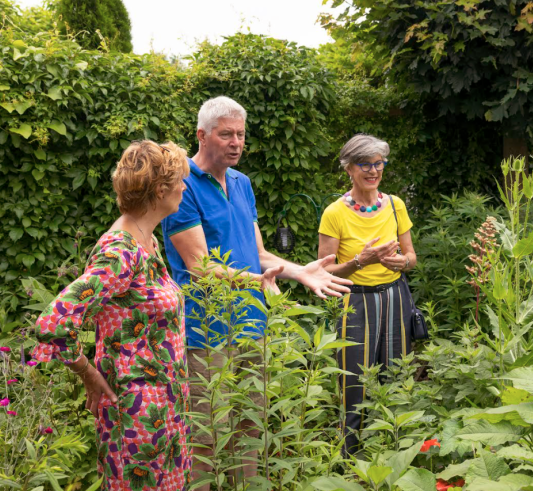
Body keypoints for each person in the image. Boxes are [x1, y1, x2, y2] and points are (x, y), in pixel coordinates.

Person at [161, 96, 352, 484]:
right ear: (201, 135)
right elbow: (200, 267)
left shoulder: (241, 183)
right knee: (208, 434)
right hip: (206, 332)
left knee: (250, 429)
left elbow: (259, 253)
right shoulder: (181, 188)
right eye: (226, 134)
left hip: (252, 325)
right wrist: (255, 281)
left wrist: (299, 272)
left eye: (241, 135)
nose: (236, 142)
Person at [32, 141, 193, 490]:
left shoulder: (145, 240)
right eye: (181, 180)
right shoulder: (120, 251)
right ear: (161, 190)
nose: (185, 187)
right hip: (135, 415)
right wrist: (87, 373)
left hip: (164, 410)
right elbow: (54, 322)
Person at [317, 133, 418, 455]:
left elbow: (411, 257)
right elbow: (324, 272)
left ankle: (397, 450)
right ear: (348, 168)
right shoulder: (334, 213)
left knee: (398, 375)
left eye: (379, 164)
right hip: (355, 301)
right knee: (354, 381)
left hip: (395, 296)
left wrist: (402, 261)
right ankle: (350, 458)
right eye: (365, 164)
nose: (373, 171)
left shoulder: (395, 205)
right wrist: (360, 261)